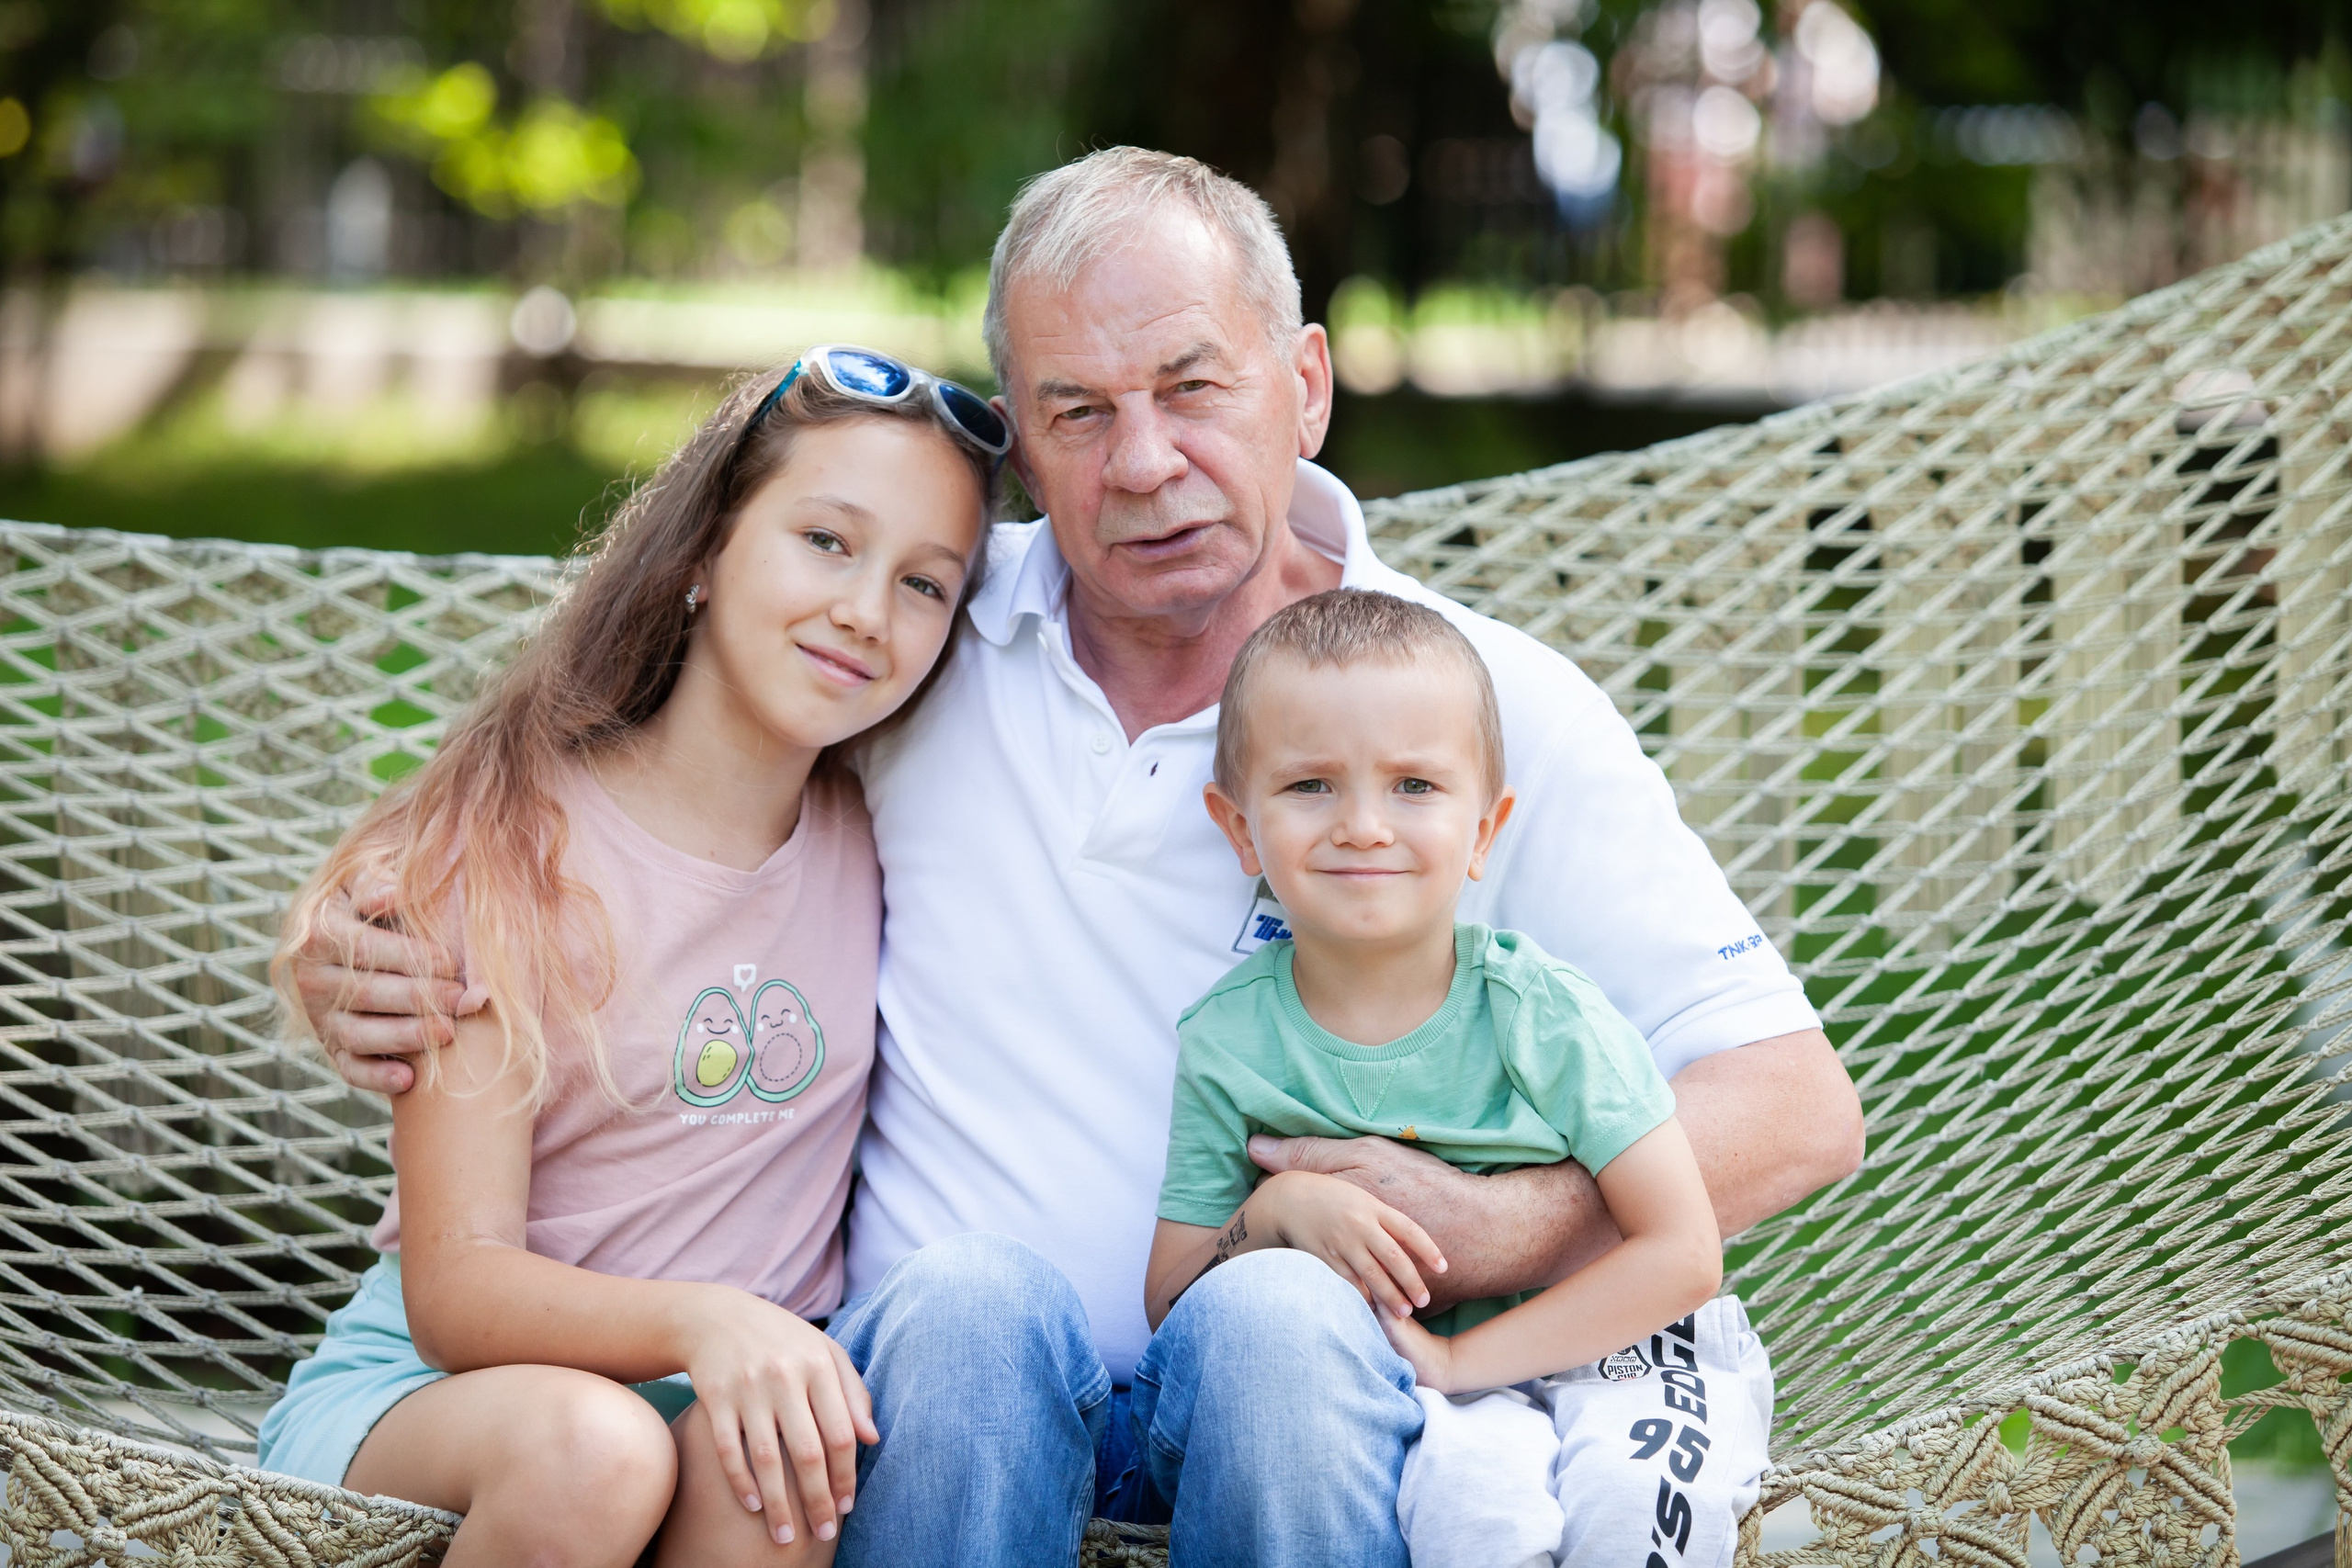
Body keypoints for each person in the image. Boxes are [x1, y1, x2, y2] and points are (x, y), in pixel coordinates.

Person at [286, 149, 1864, 1568]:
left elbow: (1794, 1103)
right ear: (1025, 455)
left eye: (1194, 387)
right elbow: (643, 779)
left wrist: (1493, 1219)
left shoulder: (1466, 708)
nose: (1146, 462)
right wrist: (367, 937)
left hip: (1292, 1385)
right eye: (1080, 412)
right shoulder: (920, 632)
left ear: (1305, 385)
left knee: (1277, 1322)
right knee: (971, 1305)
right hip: (929, 1397)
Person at [257, 346, 1008, 1568]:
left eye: (924, 583)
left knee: (781, 1472)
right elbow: (455, 1289)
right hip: (449, 1400)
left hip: (725, 1394)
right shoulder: (512, 845)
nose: (867, 611)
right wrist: (706, 1322)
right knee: (598, 1452)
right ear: (704, 551)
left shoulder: (890, 828)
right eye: (826, 540)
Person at [1146, 588, 1770, 1568]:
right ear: (1239, 828)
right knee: (1479, 1527)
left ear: (1484, 831)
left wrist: (1461, 1359)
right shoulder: (1231, 1040)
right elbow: (1173, 1304)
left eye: (1413, 785)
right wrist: (1273, 1214)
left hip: (1621, 1354)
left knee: (1629, 1513)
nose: (1362, 825)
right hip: (1431, 1403)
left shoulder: (1540, 1012)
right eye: (1310, 784)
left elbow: (1683, 1251)